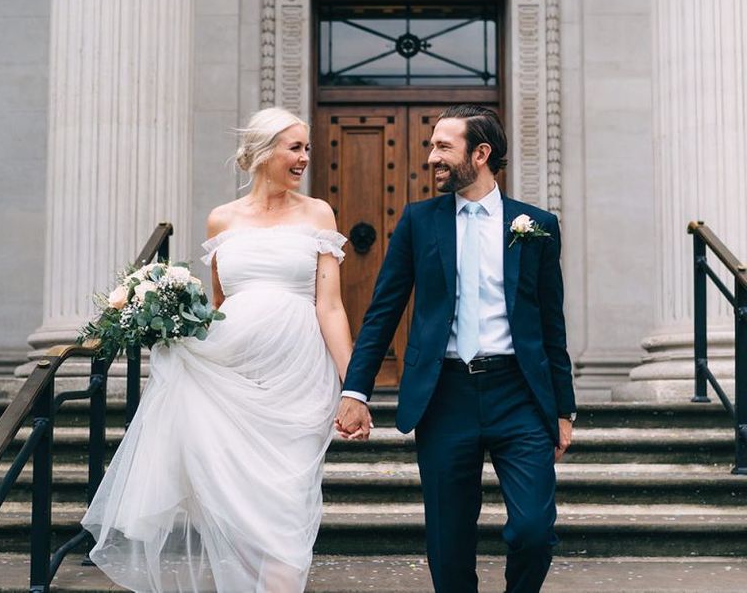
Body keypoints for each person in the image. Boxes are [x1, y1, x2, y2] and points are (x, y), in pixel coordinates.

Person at [82, 107, 355, 592]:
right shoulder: (221, 220)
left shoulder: (318, 213)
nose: (304, 158)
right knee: (239, 501)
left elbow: (329, 306)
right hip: (232, 377)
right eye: (295, 147)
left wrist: (352, 386)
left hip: (298, 378)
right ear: (262, 152)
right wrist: (167, 314)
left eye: (306, 148)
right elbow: (220, 306)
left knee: (287, 500)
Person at [335, 104, 577, 593]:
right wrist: (355, 390)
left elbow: (552, 324)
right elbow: (384, 309)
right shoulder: (419, 222)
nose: (431, 158)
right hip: (444, 394)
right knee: (448, 540)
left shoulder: (536, 225)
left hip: (521, 396)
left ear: (481, 153)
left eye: (443, 146)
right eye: (431, 146)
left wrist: (563, 407)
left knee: (533, 530)